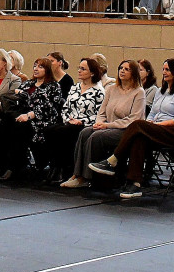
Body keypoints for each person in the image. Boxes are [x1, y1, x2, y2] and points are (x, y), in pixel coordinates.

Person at [88, 58, 174, 199]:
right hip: (156, 130)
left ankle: (113, 160)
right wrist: (150, 125)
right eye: (163, 69)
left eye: (167, 70)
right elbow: (152, 114)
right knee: (139, 138)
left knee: (138, 124)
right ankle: (135, 184)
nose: (164, 72)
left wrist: (152, 126)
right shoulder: (161, 92)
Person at [62, 60, 146, 189]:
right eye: (121, 68)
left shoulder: (139, 92)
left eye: (127, 69)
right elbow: (101, 112)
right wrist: (99, 123)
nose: (122, 71)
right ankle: (77, 174)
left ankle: (88, 177)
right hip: (106, 126)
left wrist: (108, 125)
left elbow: (134, 119)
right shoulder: (112, 89)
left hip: (125, 130)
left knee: (96, 137)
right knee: (85, 132)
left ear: (134, 73)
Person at [0, 56, 66, 180]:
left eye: (40, 67)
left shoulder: (53, 86)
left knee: (19, 127)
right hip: (20, 116)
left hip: (41, 121)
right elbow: (17, 101)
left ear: (47, 70)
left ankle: (14, 166)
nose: (36, 69)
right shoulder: (28, 84)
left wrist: (30, 114)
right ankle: (0, 164)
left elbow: (51, 108)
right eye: (35, 66)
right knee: (3, 125)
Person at [41, 58, 106, 182]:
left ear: (92, 73)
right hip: (70, 121)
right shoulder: (75, 88)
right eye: (79, 68)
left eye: (83, 69)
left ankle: (63, 168)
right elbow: (65, 107)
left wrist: (81, 121)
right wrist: (68, 119)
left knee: (62, 132)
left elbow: (99, 114)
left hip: (85, 124)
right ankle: (55, 165)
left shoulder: (99, 91)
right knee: (49, 130)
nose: (79, 71)